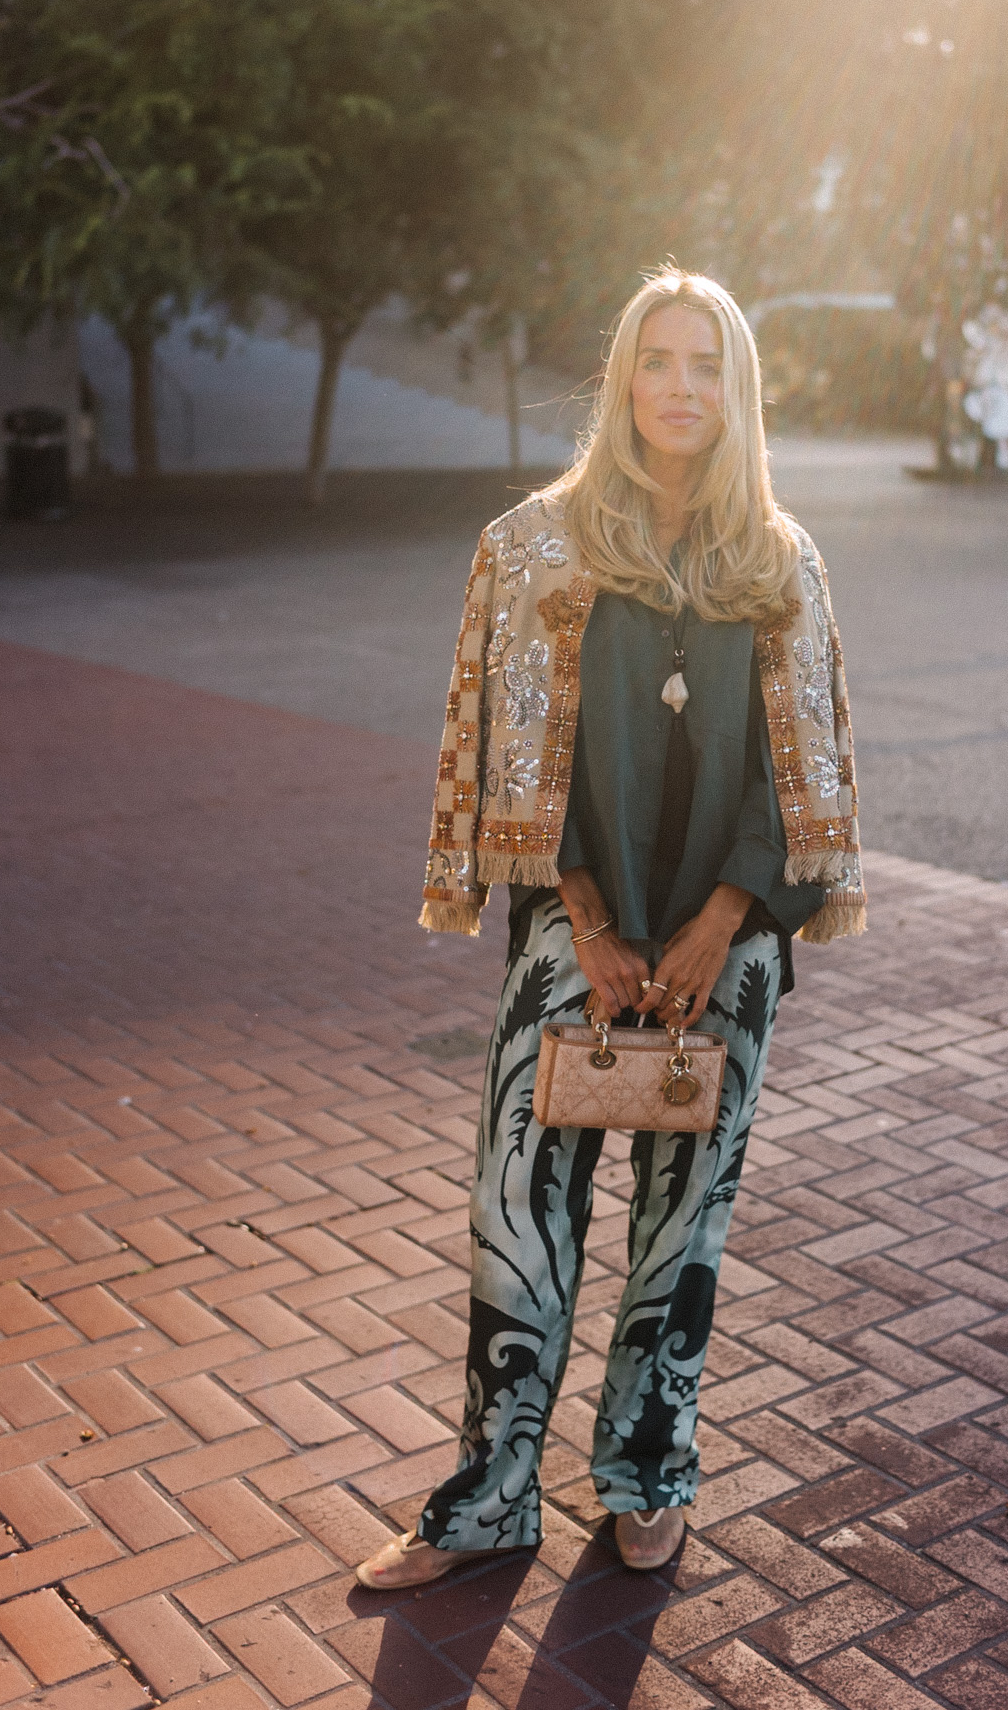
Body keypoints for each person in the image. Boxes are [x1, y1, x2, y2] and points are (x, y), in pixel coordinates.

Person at [355, 267, 864, 1589]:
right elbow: (507, 750)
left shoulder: (781, 561)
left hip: (728, 937)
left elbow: (801, 773)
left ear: (738, 391)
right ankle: (487, 1499)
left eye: (707, 364)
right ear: (622, 379)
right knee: (519, 1209)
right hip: (572, 924)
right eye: (656, 359)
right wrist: (582, 914)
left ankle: (647, 1471)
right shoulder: (537, 545)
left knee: (685, 1224)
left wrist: (722, 922)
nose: (680, 388)